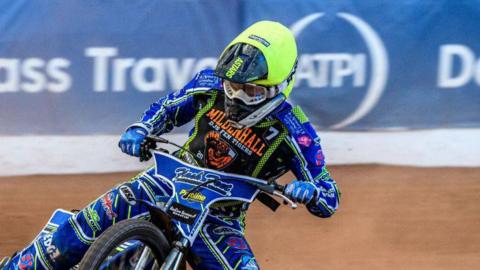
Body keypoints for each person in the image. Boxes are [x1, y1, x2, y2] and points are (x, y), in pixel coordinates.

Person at [1, 20, 340, 270]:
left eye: (249, 91)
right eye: (232, 85)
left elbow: (329, 196)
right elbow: (167, 109)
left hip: (218, 216)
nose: (235, 96)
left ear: (280, 87)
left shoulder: (296, 132)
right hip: (164, 181)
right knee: (79, 229)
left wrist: (310, 192)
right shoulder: (209, 86)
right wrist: (141, 129)